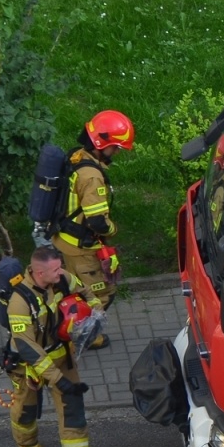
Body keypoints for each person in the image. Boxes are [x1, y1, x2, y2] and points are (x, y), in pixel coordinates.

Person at [5, 246, 103, 447]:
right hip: (29, 366)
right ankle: (27, 443)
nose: (62, 272)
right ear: (39, 272)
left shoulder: (63, 279)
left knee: (74, 411)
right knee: (26, 409)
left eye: (60, 267)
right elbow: (28, 349)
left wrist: (93, 315)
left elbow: (89, 295)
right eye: (56, 269)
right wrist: (57, 379)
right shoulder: (19, 302)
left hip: (61, 358)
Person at [53, 109, 134, 347]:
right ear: (101, 143)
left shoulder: (77, 157)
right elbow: (97, 221)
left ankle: (60, 326)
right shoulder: (92, 177)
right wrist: (112, 230)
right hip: (81, 248)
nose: (117, 152)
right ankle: (86, 336)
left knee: (69, 288)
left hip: (64, 240)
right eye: (116, 147)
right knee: (101, 293)